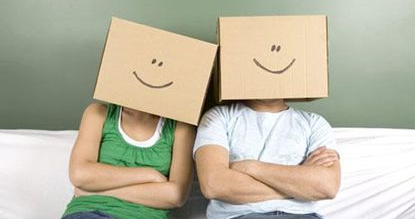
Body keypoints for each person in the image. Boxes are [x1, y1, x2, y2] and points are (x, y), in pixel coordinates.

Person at [194, 99, 340, 219]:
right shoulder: (218, 117)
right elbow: (214, 185)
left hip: (304, 215)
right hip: (241, 216)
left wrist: (250, 167)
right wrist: (300, 184)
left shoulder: (314, 123)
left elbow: (327, 186)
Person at [61, 103, 195, 219]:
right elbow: (80, 175)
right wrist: (149, 175)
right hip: (90, 212)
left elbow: (175, 195)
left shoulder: (181, 128)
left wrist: (94, 190)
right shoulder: (98, 113)